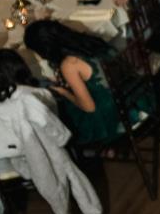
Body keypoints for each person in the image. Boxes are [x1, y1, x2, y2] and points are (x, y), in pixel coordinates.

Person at [0, 49, 104, 214]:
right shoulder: (31, 96)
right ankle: (87, 203)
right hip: (46, 152)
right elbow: (55, 126)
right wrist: (62, 138)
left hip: (16, 158)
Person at [22, 18, 147, 147]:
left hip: (116, 111)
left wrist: (63, 92)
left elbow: (89, 108)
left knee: (61, 114)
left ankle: (100, 150)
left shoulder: (69, 64)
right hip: (134, 91)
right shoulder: (88, 41)